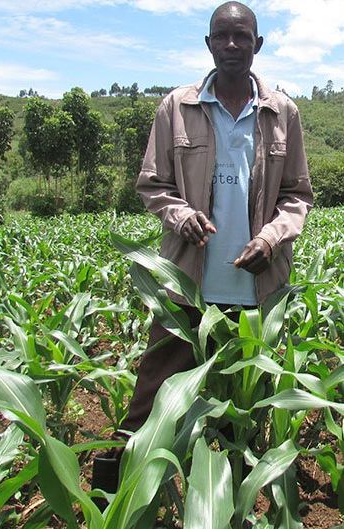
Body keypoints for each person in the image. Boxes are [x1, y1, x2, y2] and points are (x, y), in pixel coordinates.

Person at [93, 1, 313, 483]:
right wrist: (180, 215)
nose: (232, 45)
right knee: (152, 392)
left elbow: (297, 195)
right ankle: (115, 493)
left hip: (256, 290)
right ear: (208, 43)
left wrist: (271, 239)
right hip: (186, 283)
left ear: (258, 44)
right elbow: (153, 184)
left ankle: (236, 491)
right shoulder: (177, 106)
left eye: (242, 36)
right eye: (222, 36)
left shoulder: (283, 113)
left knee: (246, 402)